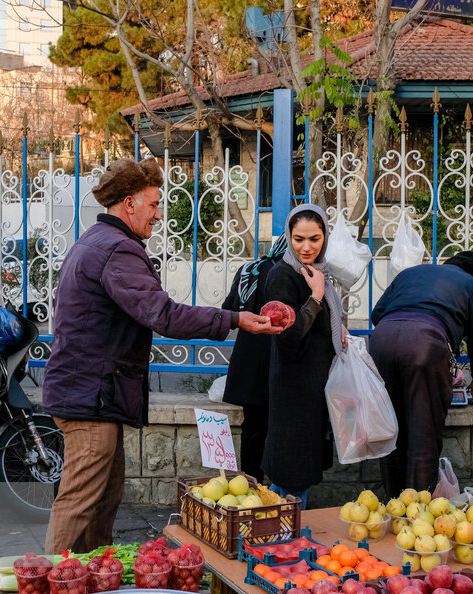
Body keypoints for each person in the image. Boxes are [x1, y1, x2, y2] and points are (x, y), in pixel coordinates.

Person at [42, 158, 281, 554]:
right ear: (129, 203)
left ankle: (94, 577)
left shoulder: (97, 242)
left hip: (92, 394)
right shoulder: (116, 250)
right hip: (89, 397)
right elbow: (163, 315)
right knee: (80, 501)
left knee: (104, 498)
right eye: (153, 205)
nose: (158, 214)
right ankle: (50, 589)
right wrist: (235, 318)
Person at [369, 251, 473, 498]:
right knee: (423, 433)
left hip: (380, 344)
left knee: (390, 429)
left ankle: (392, 503)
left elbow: (377, 314)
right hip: (425, 346)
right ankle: (416, 514)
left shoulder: (411, 273)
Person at [263, 205, 345, 508]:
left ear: (325, 236)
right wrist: (316, 297)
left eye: (315, 238)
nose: (307, 247)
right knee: (292, 468)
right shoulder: (282, 276)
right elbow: (288, 337)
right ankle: (281, 537)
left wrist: (341, 331)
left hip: (313, 386)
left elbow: (323, 325)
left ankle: (281, 529)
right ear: (288, 237)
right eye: (298, 239)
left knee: (301, 466)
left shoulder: (319, 272)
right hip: (293, 387)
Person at [220, 234, 287, 481]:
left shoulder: (250, 269)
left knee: (253, 428)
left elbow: (229, 309)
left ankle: (249, 485)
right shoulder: (291, 272)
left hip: (249, 356)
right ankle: (278, 492)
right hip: (278, 355)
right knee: (280, 426)